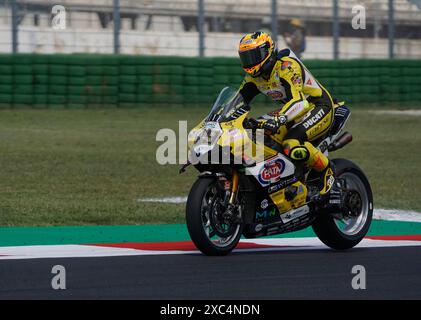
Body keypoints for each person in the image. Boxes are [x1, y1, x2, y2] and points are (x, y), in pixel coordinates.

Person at [237, 31, 337, 198]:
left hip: (318, 105)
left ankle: (326, 170)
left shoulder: (286, 66)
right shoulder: (254, 78)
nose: (250, 62)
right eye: (245, 57)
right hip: (293, 112)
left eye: (253, 56)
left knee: (291, 144)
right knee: (259, 136)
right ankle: (284, 181)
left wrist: (279, 119)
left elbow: (299, 102)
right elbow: (237, 101)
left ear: (266, 52)